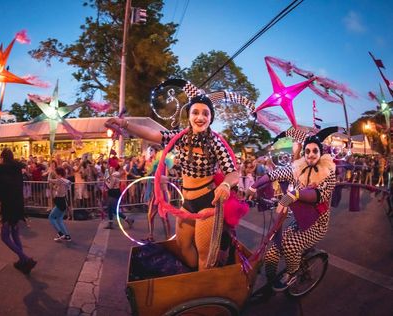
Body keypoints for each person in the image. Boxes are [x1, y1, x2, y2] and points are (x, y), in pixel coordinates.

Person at [105, 94, 238, 270]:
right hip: (187, 202)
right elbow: (153, 134)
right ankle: (195, 277)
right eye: (195, 112)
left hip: (208, 202)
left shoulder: (216, 143)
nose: (200, 117)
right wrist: (124, 124)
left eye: (205, 113)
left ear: (211, 117)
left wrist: (226, 184)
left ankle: (199, 286)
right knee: (183, 247)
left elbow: (234, 173)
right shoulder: (181, 137)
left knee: (204, 255)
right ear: (189, 116)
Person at [247, 135, 336, 291]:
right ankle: (270, 284)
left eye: (315, 150)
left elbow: (318, 195)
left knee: (289, 245)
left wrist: (294, 195)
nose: (311, 154)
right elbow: (273, 175)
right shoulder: (297, 168)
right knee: (271, 254)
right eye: (307, 151)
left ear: (321, 152)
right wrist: (253, 187)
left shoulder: (328, 172)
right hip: (300, 221)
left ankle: (292, 273)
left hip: (318, 223)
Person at [0, 148, 37, 274]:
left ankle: (25, 259)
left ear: (2, 157)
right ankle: (22, 262)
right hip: (18, 205)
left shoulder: (0, 170)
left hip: (8, 206)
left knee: (5, 236)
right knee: (15, 233)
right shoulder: (17, 168)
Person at [48, 167, 72, 241]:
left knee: (51, 218)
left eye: (55, 173)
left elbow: (49, 180)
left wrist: (49, 172)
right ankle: (66, 235)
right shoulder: (62, 181)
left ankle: (61, 233)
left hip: (60, 203)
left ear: (58, 173)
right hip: (62, 201)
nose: (54, 174)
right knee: (59, 219)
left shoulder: (60, 180)